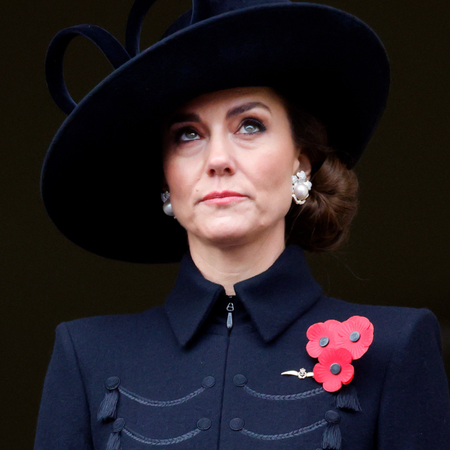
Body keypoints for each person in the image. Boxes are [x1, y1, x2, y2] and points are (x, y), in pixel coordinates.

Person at [35, 0, 450, 449]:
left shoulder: (395, 346)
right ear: (165, 179)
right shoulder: (86, 354)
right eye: (187, 135)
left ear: (302, 162)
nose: (217, 160)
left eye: (250, 126)